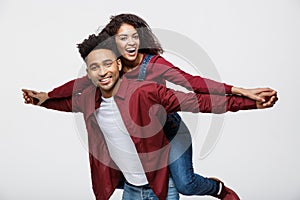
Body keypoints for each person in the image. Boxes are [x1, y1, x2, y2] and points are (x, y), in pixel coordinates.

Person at [23, 13, 277, 199]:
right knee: (122, 175)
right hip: (138, 135)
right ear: (114, 43)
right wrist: (46, 96)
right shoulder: (109, 66)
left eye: (136, 36)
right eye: (124, 38)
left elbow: (194, 86)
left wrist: (241, 92)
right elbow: (79, 86)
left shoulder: (153, 66)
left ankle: (217, 189)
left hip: (168, 129)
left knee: (185, 184)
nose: (131, 43)